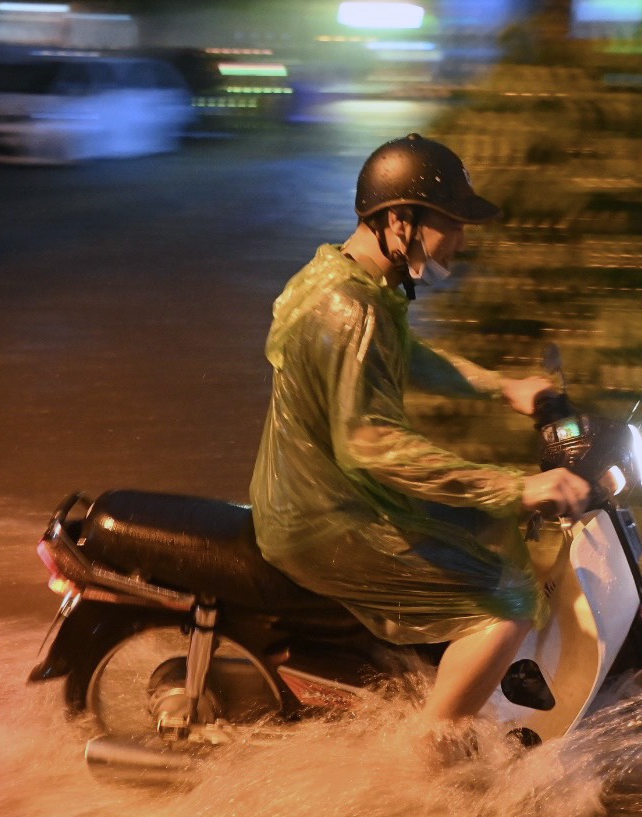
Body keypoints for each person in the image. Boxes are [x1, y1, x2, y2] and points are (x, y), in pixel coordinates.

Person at [250, 133, 590, 750]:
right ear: (400, 221)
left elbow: (401, 354)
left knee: (488, 531)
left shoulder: (343, 278)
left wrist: (502, 387)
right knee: (509, 599)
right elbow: (372, 446)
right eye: (452, 224)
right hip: (329, 516)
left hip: (319, 494)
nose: (460, 240)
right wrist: (516, 486)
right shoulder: (349, 308)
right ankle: (433, 753)